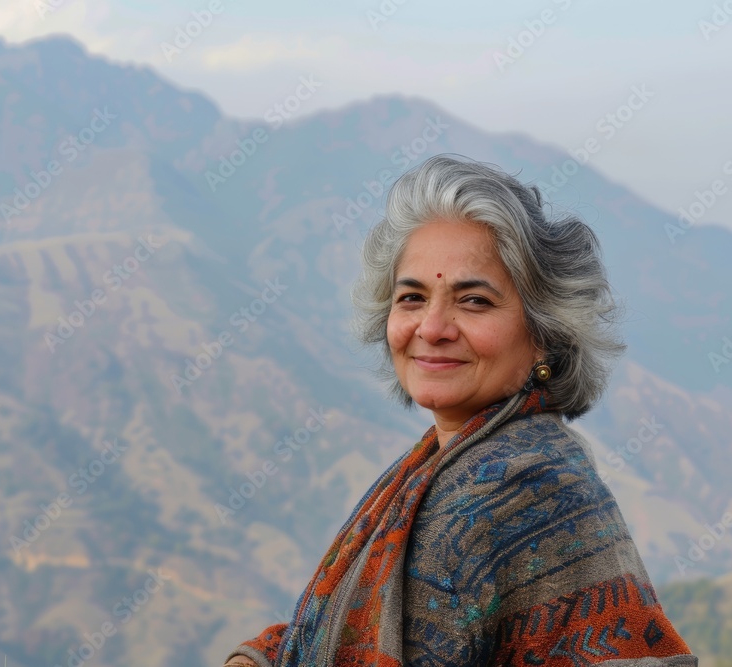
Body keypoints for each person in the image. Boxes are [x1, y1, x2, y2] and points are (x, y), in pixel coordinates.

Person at [223, 154, 697, 666]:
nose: (432, 327)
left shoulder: (523, 490)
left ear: (544, 335)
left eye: (473, 301)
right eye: (411, 298)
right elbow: (332, 632)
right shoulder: (433, 468)